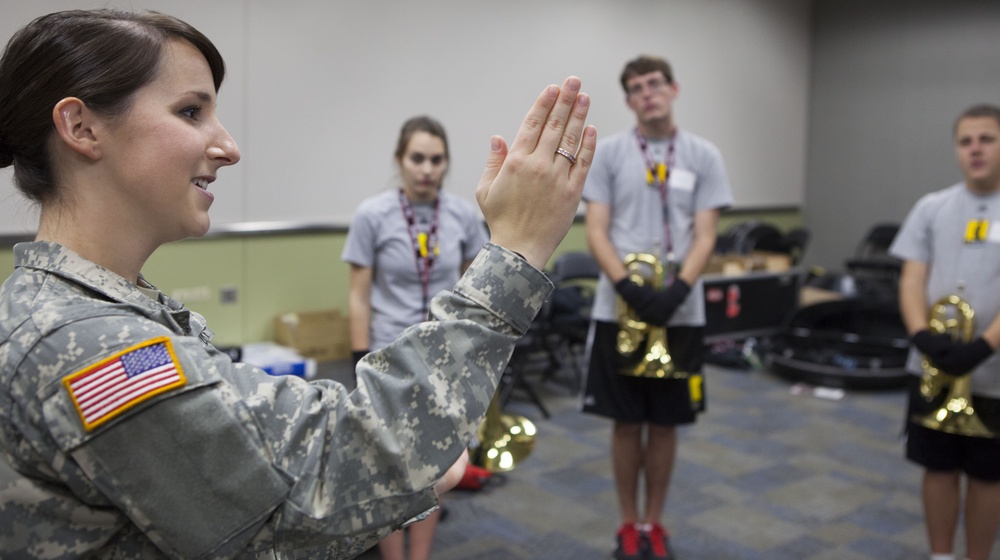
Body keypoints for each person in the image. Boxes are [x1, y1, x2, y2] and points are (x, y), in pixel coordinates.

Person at [0, 8, 596, 559]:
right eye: (190, 111)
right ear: (81, 127)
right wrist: (518, 249)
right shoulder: (81, 342)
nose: (228, 146)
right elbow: (318, 487)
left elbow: (270, 441)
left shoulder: (96, 307)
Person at [580, 55, 733, 560]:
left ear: (673, 88)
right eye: (636, 88)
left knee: (665, 424)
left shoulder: (703, 155)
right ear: (628, 101)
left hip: (680, 311)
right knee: (625, 423)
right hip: (620, 310)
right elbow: (596, 230)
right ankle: (627, 523)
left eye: (655, 84)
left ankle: (655, 522)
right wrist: (629, 287)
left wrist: (679, 289)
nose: (647, 93)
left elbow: (706, 234)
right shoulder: (611, 154)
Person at [342, 115, 488, 560]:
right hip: (389, 355)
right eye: (417, 158)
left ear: (446, 164)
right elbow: (359, 296)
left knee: (436, 464)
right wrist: (359, 356)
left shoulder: (463, 215)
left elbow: (471, 293)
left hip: (443, 356)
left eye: (436, 160)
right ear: (400, 161)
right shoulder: (373, 215)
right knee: (389, 467)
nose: (427, 169)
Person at [889, 103, 1000, 560]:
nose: (975, 149)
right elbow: (913, 277)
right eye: (966, 141)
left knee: (988, 474)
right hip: (933, 365)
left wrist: (984, 345)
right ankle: (941, 556)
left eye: (987, 139)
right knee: (937, 467)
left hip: (992, 369)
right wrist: (921, 336)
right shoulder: (932, 207)